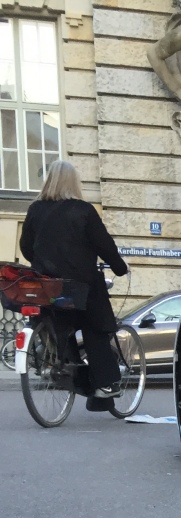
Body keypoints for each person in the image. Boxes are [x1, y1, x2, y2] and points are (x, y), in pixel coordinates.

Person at [19, 160, 130, 408]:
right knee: (96, 328)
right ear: (73, 182)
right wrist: (120, 268)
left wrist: (46, 263)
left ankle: (66, 370)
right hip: (81, 285)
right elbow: (104, 245)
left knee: (59, 323)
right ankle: (104, 386)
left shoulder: (35, 209)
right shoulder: (83, 210)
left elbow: (26, 247)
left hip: (46, 285)